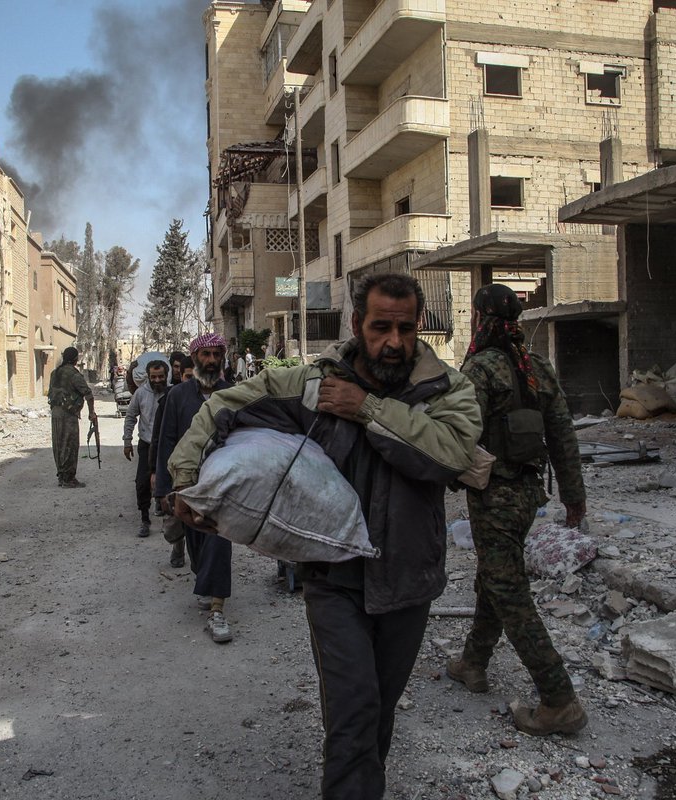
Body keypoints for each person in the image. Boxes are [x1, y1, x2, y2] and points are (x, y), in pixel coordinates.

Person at [168, 274, 481, 797]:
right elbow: (221, 408)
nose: (394, 342)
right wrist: (184, 478)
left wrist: (368, 409)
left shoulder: (448, 389)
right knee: (354, 708)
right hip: (333, 582)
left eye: (405, 328)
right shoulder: (313, 385)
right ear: (357, 325)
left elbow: (449, 455)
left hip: (408, 580)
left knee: (375, 713)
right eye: (381, 327)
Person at [448, 284, 589, 736]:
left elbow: (459, 434)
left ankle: (558, 699)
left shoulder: (480, 369)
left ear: (480, 319)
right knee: (495, 575)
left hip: (494, 496)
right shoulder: (539, 369)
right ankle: (473, 662)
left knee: (508, 589)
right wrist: (573, 497)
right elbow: (563, 437)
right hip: (529, 495)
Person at [154, 333, 235, 643]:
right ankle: (204, 576)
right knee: (196, 541)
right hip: (187, 482)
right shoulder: (178, 396)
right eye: (206, 355)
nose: (211, 360)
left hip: (223, 481)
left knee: (219, 536)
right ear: (195, 358)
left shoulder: (233, 393)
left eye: (216, 354)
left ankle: (216, 608)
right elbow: (167, 442)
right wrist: (164, 488)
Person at [152, 361, 193, 567]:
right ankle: (178, 546)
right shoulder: (171, 398)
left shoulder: (215, 397)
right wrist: (155, 473)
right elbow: (160, 439)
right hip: (176, 469)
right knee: (175, 519)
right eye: (187, 376)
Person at [123, 359, 169, 537]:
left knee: (167, 482)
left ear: (166, 376)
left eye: (160, 377)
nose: (157, 380)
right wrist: (127, 441)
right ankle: (144, 519)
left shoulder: (172, 393)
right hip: (146, 444)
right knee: (142, 483)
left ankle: (168, 518)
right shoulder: (141, 393)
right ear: (148, 377)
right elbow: (130, 417)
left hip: (166, 446)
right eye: (153, 377)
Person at [47, 347, 97, 488]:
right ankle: (69, 479)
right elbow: (88, 394)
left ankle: (62, 476)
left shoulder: (54, 373)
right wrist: (92, 413)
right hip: (68, 414)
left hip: (56, 412)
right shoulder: (74, 374)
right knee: (70, 444)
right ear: (75, 359)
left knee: (58, 444)